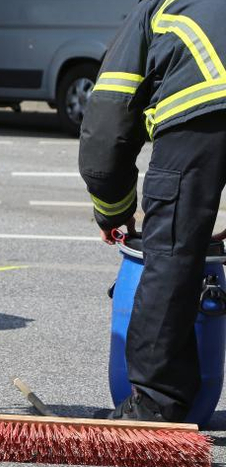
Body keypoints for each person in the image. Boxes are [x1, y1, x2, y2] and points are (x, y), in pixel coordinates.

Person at [79, 0, 226, 422]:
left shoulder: (159, 8)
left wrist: (113, 209)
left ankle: (155, 406)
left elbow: (108, 122)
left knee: (172, 250)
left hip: (200, 112)